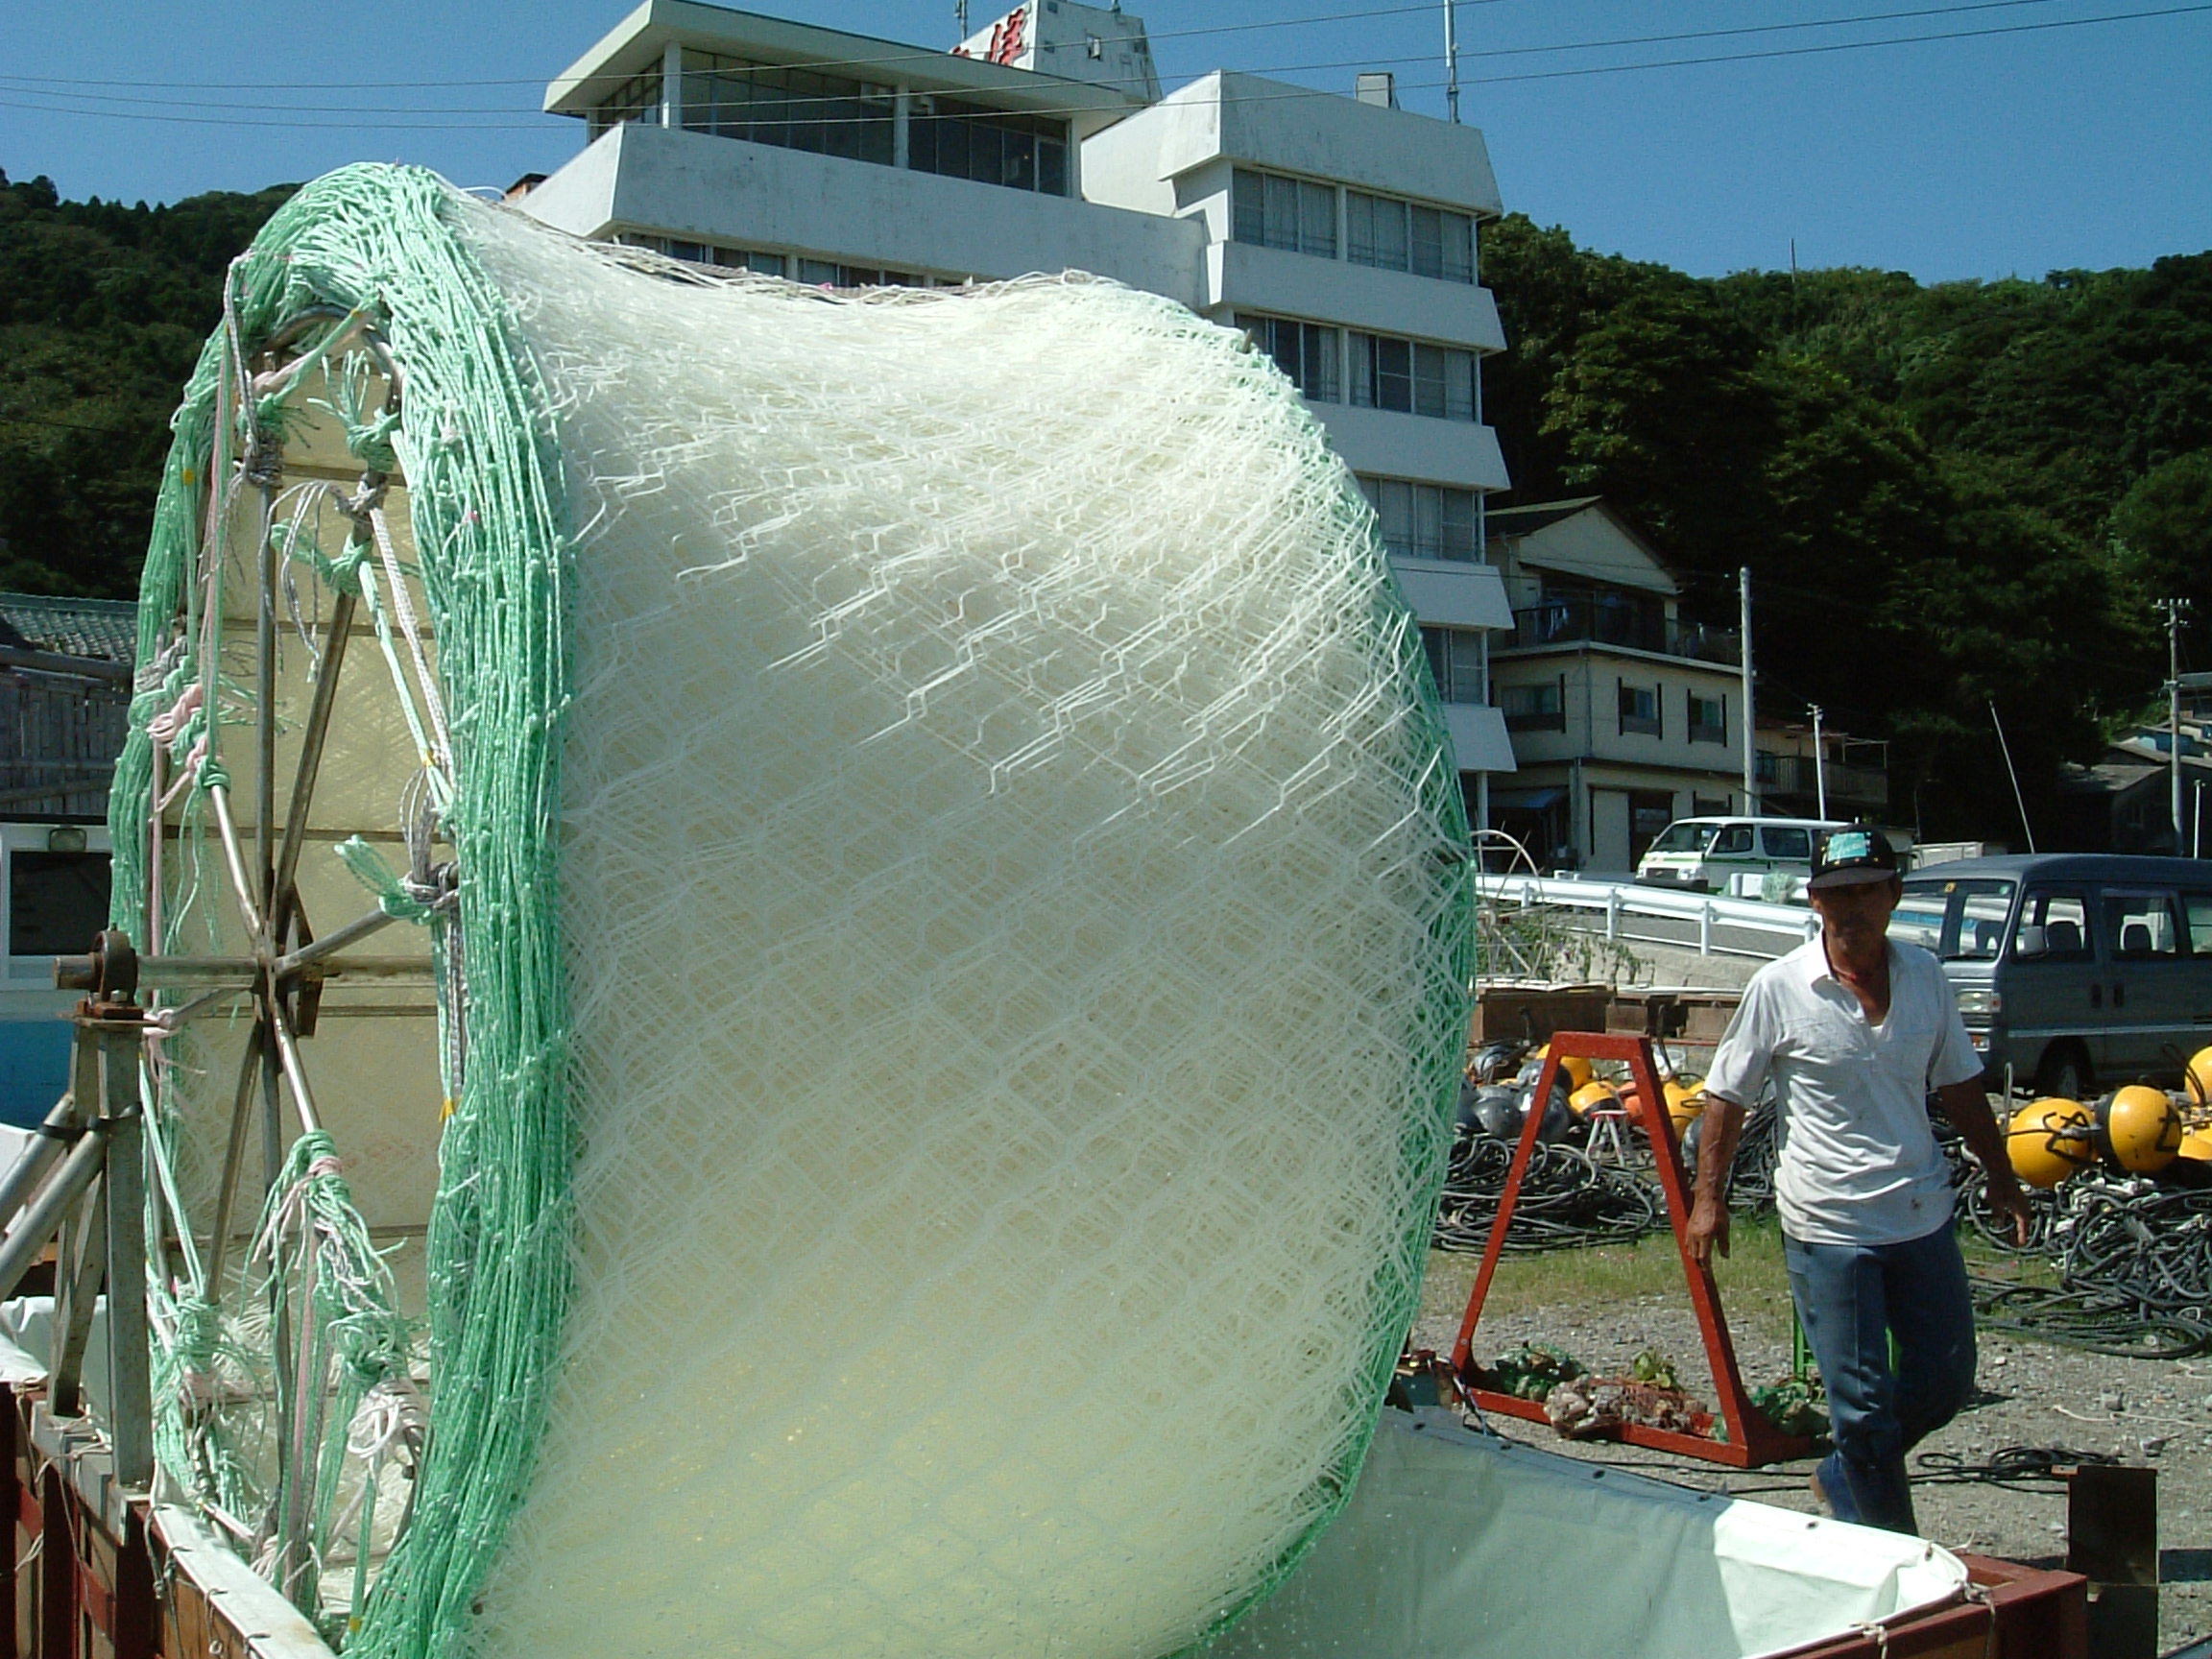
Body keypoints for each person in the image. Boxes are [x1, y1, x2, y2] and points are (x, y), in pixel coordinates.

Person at [1687, 822, 2033, 1535]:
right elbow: (1727, 1096)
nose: (1851, 909)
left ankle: (1845, 1472)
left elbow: (1962, 1084)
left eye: (1867, 891)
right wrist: (1707, 1200)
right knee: (1864, 1407)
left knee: (1944, 1382)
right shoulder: (1779, 988)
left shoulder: (1926, 976)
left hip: (1919, 1213)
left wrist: (2002, 1177)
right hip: (1828, 1226)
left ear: (1893, 895)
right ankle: (1897, 1564)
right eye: (1836, 894)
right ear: (1814, 900)